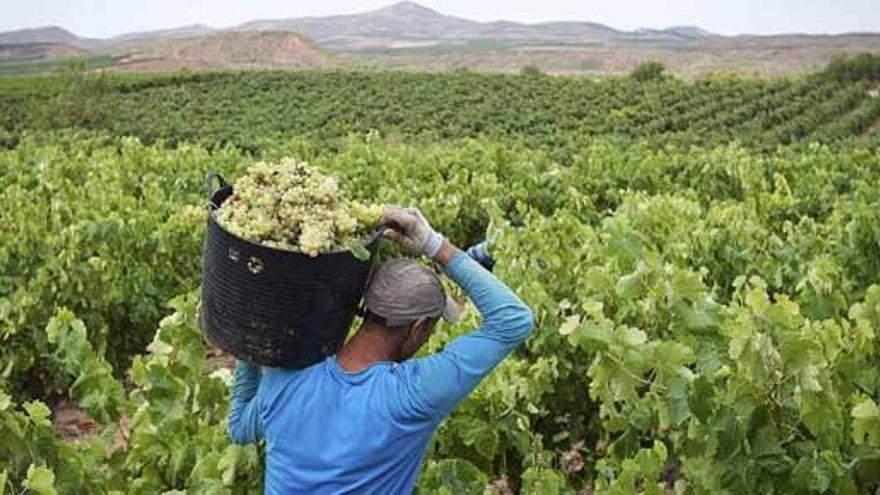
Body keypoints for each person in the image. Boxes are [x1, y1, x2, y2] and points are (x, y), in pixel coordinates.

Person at [227, 206, 534, 494]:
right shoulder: (411, 395)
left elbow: (240, 427)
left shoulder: (290, 375)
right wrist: (432, 243)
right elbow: (513, 320)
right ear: (419, 328)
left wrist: (248, 343)